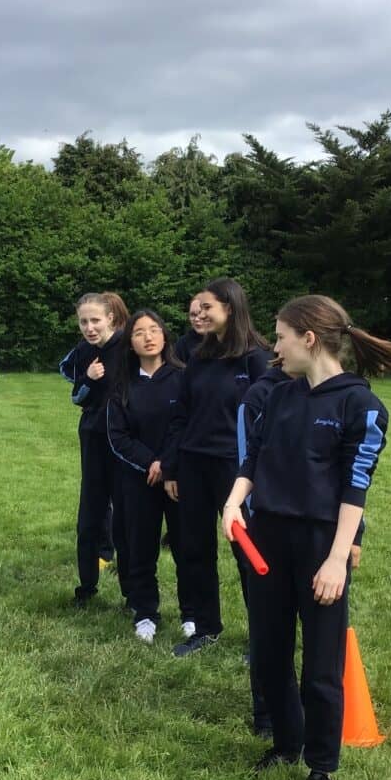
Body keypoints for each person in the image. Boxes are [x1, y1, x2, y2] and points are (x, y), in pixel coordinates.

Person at [223, 294, 391, 780]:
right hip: (267, 537)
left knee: (322, 666)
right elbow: (252, 460)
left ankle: (321, 771)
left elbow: (355, 488)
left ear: (309, 339)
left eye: (281, 337)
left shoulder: (361, 406)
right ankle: (286, 743)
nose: (274, 348)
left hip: (322, 545)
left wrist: (336, 558)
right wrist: (234, 502)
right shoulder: (277, 395)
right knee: (268, 651)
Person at [163, 278, 271, 656]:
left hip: (235, 470)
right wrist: (172, 467)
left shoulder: (257, 358)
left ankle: (263, 639)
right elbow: (181, 414)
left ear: (230, 307)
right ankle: (206, 629)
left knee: (246, 552)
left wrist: (257, 473)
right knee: (195, 549)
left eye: (207, 307)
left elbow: (270, 420)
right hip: (193, 464)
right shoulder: (199, 356)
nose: (200, 314)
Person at [106, 309, 193, 643]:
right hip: (138, 478)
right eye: (139, 332)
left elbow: (187, 425)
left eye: (154, 329)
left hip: (178, 478)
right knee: (140, 549)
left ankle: (192, 614)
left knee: (187, 547)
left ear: (165, 335)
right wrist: (151, 463)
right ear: (130, 342)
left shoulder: (183, 377)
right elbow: (118, 436)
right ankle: (145, 613)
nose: (148, 337)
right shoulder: (122, 384)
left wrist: (167, 463)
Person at [58, 292, 128, 606]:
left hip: (124, 441)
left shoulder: (128, 347)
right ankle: (86, 588)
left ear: (110, 318)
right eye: (83, 321)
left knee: (126, 516)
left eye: (95, 320)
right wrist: (88, 378)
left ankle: (133, 593)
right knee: (89, 515)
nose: (89, 327)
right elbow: (77, 397)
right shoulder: (85, 351)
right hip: (92, 437)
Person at [174, 294, 206, 363]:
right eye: (193, 315)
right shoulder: (182, 344)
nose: (196, 319)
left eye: (200, 313)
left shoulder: (224, 339)